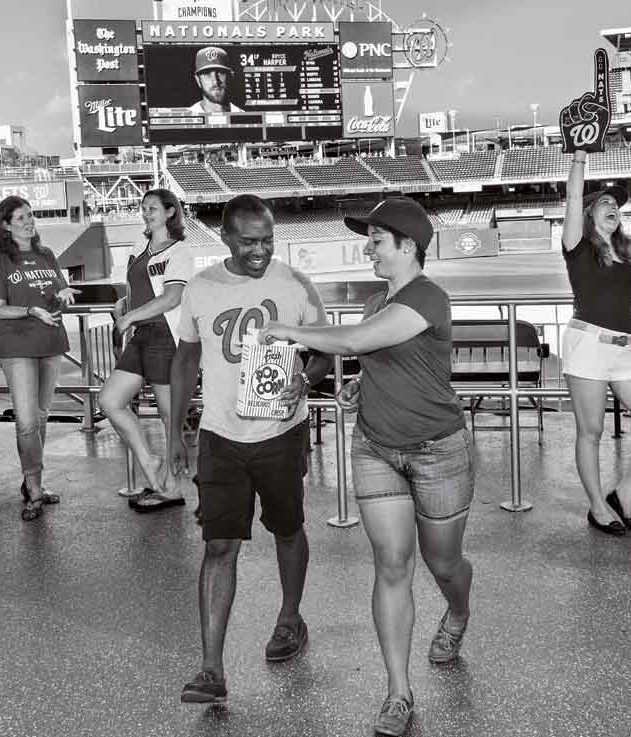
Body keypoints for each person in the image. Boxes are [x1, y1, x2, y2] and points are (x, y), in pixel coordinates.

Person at [262, 197, 471, 737]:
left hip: (436, 450)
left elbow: (355, 342)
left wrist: (289, 331)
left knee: (443, 564)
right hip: (376, 446)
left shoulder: (429, 296)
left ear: (407, 246)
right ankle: (398, 692)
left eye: (376, 240)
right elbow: (375, 357)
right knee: (392, 565)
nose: (367, 248)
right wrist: (361, 384)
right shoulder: (378, 299)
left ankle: (458, 611)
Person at [167, 194, 332, 705]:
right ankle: (211, 670)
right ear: (224, 237)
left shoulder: (294, 284)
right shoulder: (200, 288)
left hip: (281, 433)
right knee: (219, 546)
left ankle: (289, 618)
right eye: (249, 241)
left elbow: (325, 351)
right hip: (220, 435)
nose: (260, 250)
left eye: (267, 240)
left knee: (287, 528)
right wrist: (175, 429)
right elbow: (186, 361)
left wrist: (304, 380)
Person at [561, 149, 631, 536]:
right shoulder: (577, 245)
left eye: (616, 204)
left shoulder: (629, 249)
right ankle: (597, 506)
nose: (613, 207)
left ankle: (623, 493)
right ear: (590, 211)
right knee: (590, 431)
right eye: (604, 203)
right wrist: (579, 157)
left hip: (623, 350)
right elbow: (573, 197)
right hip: (588, 344)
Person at [0, 195, 77, 521]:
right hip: (17, 345)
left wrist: (62, 297)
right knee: (25, 421)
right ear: (5, 224)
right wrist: (30, 310)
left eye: (31, 215)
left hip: (50, 342)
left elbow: (58, 299)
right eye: (20, 217)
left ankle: (33, 480)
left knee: (41, 416)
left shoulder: (46, 254)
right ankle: (33, 488)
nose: (28, 221)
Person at [100, 189, 195, 511]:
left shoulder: (181, 251)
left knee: (170, 418)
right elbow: (137, 290)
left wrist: (129, 316)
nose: (145, 212)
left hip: (166, 336)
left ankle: (173, 487)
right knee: (110, 401)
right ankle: (151, 462)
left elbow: (172, 298)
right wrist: (124, 305)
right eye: (143, 208)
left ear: (170, 212)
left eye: (152, 208)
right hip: (142, 335)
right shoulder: (138, 246)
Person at [188, 47, 244, 114]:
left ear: (230, 76)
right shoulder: (186, 117)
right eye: (207, 74)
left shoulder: (243, 116)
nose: (215, 81)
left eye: (221, 72)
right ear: (198, 80)